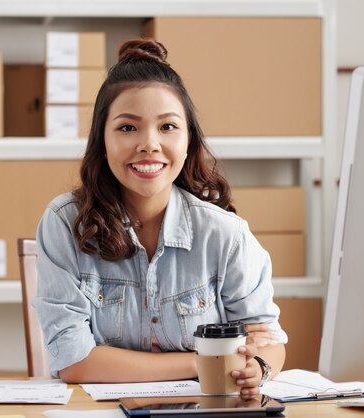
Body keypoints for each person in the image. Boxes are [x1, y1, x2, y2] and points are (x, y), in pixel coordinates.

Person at [34, 39, 287, 395]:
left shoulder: (225, 234)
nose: (149, 143)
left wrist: (258, 368)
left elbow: (267, 340)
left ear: (189, 141)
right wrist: (203, 361)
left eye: (167, 126)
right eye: (127, 128)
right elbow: (74, 361)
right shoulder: (65, 222)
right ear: (102, 143)